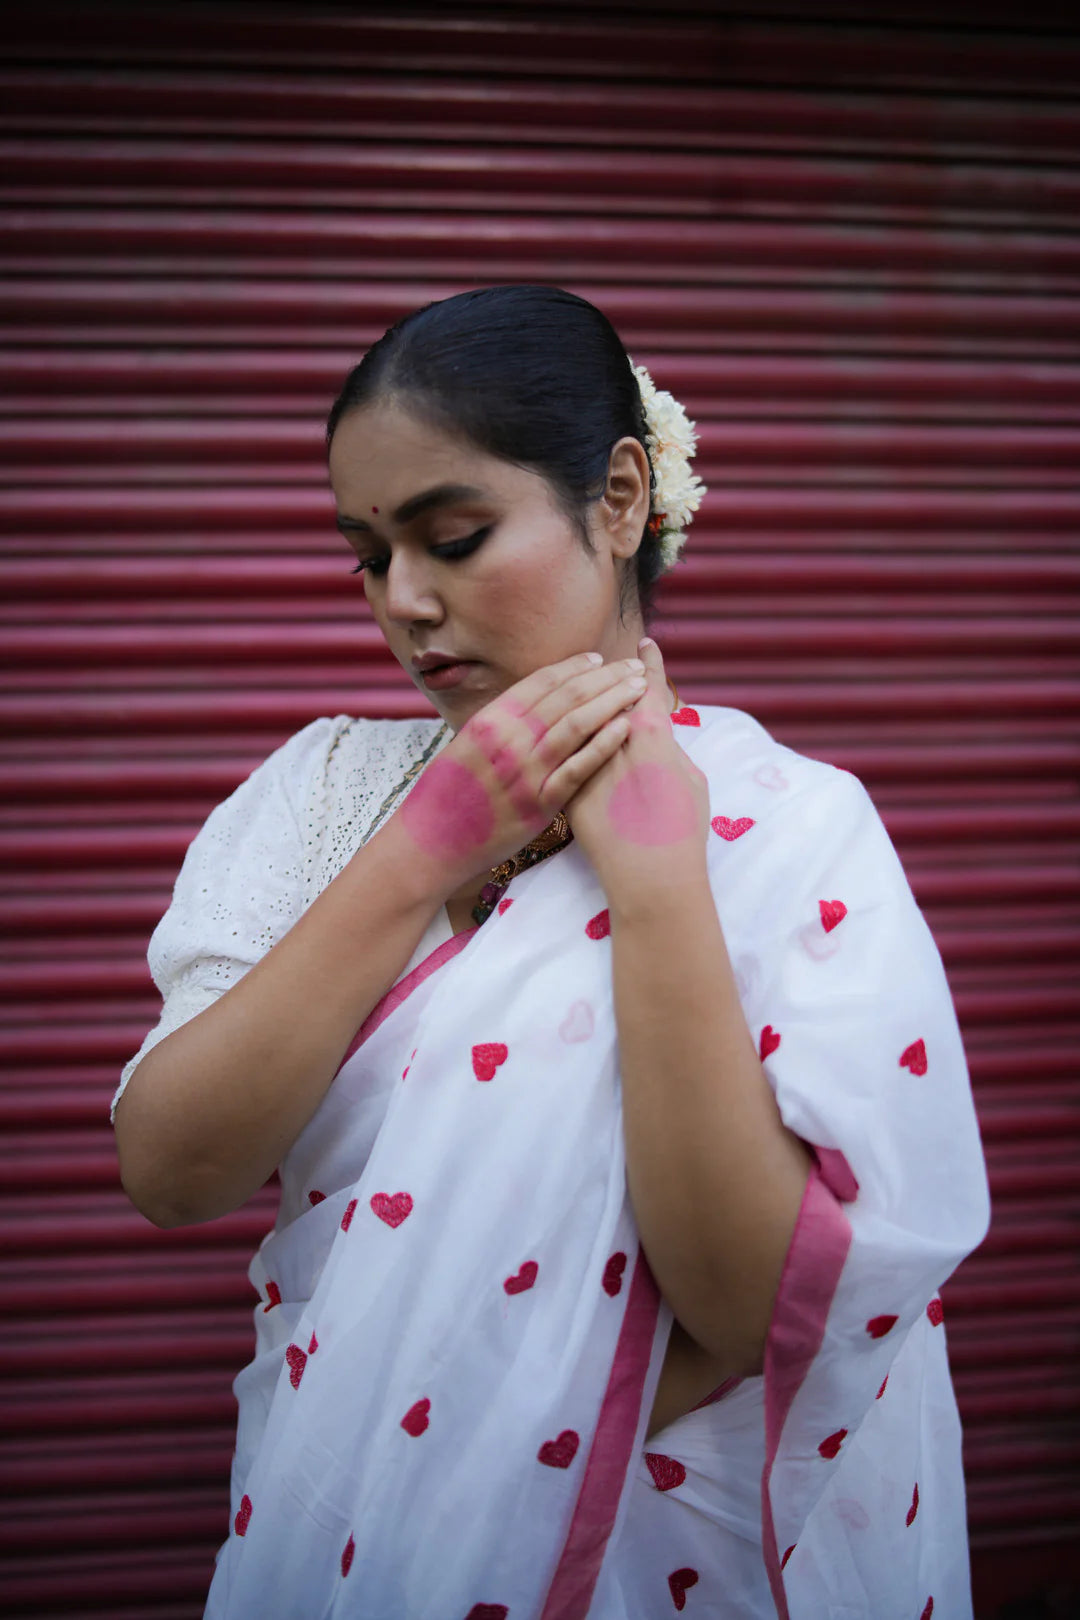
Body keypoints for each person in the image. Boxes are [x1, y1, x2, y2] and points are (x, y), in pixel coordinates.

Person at [111, 284, 990, 1620]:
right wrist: (427, 846)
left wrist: (658, 887)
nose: (404, 600)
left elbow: (750, 1314)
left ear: (623, 497)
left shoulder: (797, 835)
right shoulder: (321, 795)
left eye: (454, 537)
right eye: (365, 553)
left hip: (675, 1564)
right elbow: (172, 1173)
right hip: (354, 1526)